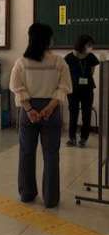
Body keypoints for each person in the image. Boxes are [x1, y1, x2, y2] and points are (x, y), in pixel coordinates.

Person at [10, 23, 72, 208]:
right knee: (51, 154)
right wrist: (49, 108)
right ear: (48, 40)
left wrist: (30, 110)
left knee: (26, 153)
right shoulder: (59, 62)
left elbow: (16, 87)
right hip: (51, 111)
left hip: (28, 111)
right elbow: (64, 88)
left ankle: (27, 193)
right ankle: (51, 199)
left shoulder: (22, 62)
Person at [65, 35, 99, 147]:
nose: (91, 47)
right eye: (89, 45)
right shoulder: (68, 58)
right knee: (73, 113)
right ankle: (72, 138)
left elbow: (92, 72)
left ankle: (84, 138)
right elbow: (65, 74)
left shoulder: (91, 57)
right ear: (82, 45)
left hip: (87, 89)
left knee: (86, 113)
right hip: (72, 90)